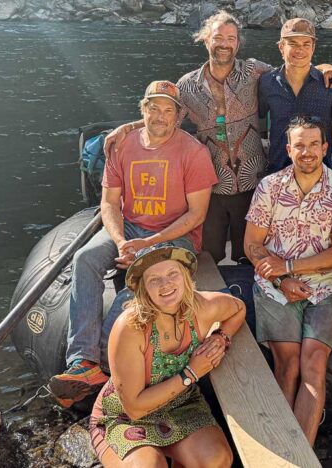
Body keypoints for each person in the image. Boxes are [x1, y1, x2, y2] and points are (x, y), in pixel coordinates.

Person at [103, 11, 332, 264]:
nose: (225, 44)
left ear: (238, 43)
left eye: (231, 38)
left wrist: (326, 67)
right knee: (209, 255)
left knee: (249, 252)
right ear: (206, 40)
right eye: (218, 37)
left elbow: (293, 68)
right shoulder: (186, 86)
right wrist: (129, 127)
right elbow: (165, 117)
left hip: (253, 181)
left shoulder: (253, 71)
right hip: (211, 184)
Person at [49, 81, 218, 408]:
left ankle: (104, 361)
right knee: (84, 258)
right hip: (129, 227)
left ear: (178, 116)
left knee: (142, 278)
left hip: (172, 234)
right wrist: (122, 241)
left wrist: (150, 243)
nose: (160, 116)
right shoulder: (122, 144)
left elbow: (197, 215)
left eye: (168, 110)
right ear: (143, 111)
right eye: (154, 108)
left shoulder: (193, 152)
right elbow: (110, 203)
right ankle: (82, 361)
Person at [243, 116, 332, 445]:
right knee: (288, 363)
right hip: (274, 290)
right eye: (299, 145)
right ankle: (279, 445)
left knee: (314, 364)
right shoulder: (270, 187)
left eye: (313, 145)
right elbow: (252, 244)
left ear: (325, 147)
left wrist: (290, 267)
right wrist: (281, 281)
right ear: (289, 149)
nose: (307, 152)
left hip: (322, 290)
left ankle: (301, 453)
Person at [89, 243, 245, 467]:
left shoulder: (202, 307)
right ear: (143, 288)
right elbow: (134, 407)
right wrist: (190, 373)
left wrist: (221, 337)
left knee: (216, 460)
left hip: (181, 405)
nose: (166, 284)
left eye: (173, 273)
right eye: (154, 279)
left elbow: (238, 308)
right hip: (125, 417)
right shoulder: (129, 328)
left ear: (185, 277)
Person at [258, 17, 332, 173]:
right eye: (293, 44)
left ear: (313, 48)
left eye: (306, 44)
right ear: (281, 47)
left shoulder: (331, 85)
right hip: (278, 177)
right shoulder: (267, 83)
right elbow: (253, 117)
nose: (300, 50)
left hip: (320, 177)